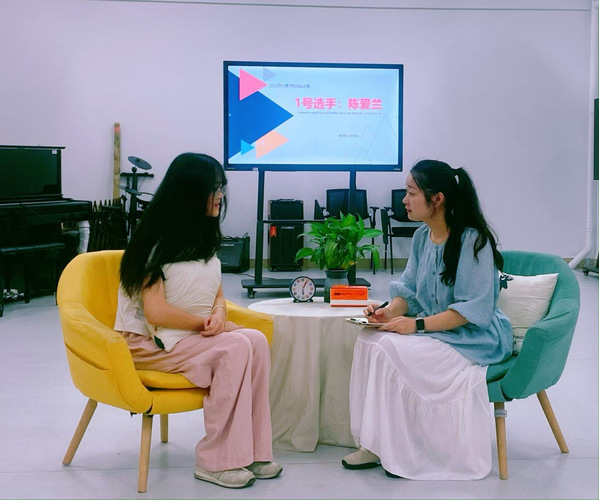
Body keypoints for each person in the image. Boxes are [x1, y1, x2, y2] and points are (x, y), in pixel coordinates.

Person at [114, 152, 282, 489]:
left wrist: (219, 314)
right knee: (235, 347)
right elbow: (156, 313)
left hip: (184, 337)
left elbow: (217, 294)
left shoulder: (202, 236)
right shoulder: (154, 243)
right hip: (149, 343)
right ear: (191, 193)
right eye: (214, 188)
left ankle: (251, 451)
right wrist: (203, 324)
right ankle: (214, 461)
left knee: (256, 341)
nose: (220, 195)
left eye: (221, 188)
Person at [342, 159, 513, 480]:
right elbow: (410, 292)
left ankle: (405, 449)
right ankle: (376, 443)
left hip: (476, 338)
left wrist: (415, 325)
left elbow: (470, 312)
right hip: (439, 330)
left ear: (437, 199)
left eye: (411, 193)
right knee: (369, 339)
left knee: (388, 349)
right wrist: (387, 312)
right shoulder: (423, 237)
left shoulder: (472, 241)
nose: (404, 201)